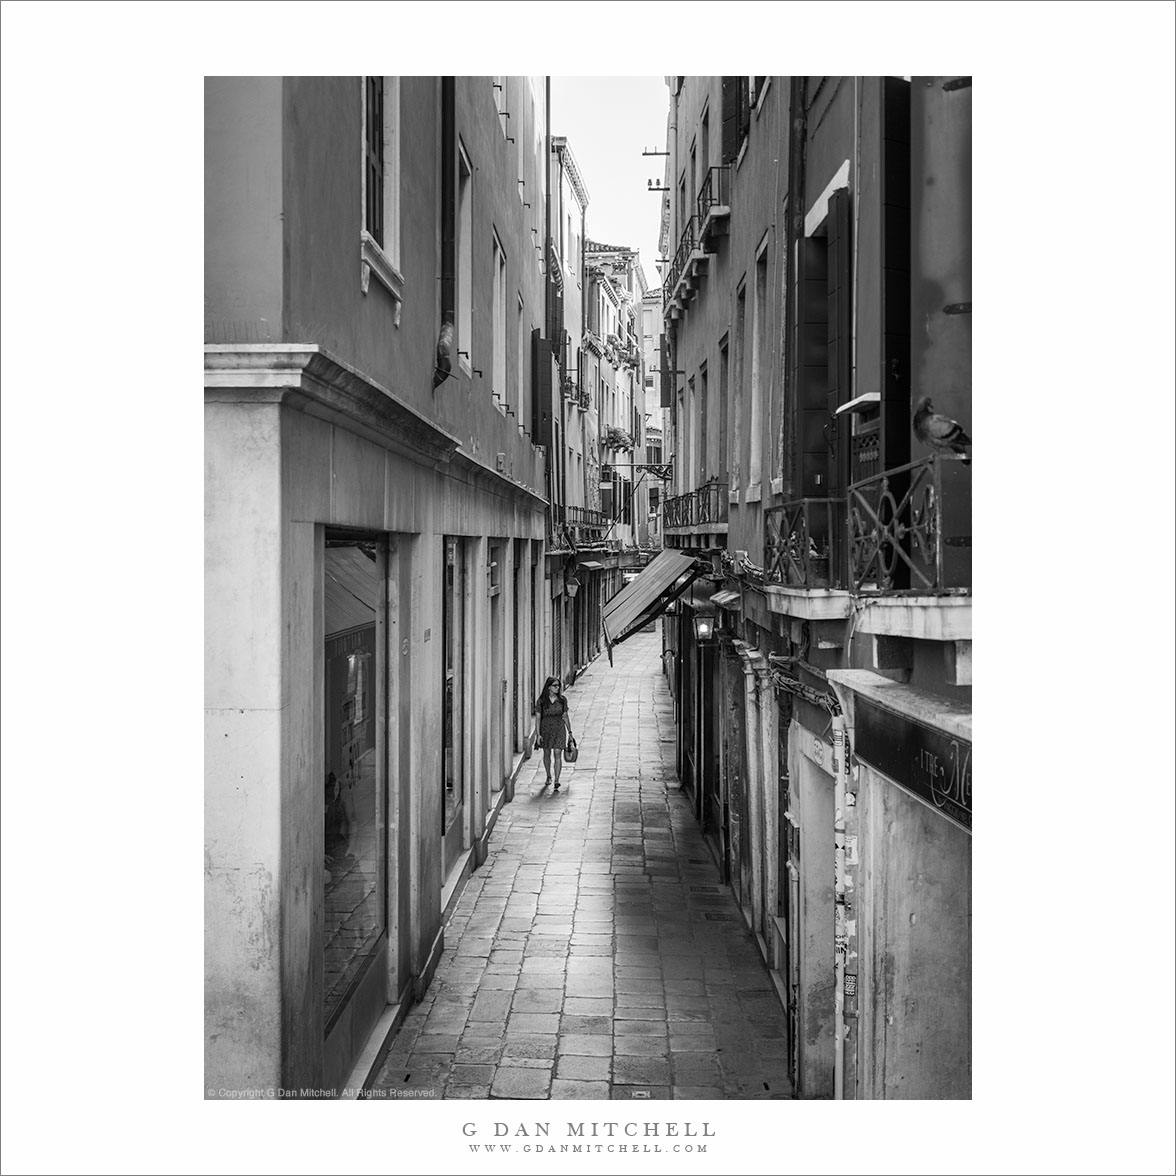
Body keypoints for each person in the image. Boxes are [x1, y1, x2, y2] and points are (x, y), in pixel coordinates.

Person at [533, 675, 574, 792]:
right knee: (547, 753)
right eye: (555, 686)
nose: (558, 688)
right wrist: (538, 734)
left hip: (559, 728)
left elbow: (565, 716)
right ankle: (548, 775)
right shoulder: (541, 701)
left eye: (558, 685)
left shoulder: (562, 700)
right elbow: (537, 718)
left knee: (557, 753)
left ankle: (557, 780)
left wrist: (570, 732)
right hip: (545, 729)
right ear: (549, 687)